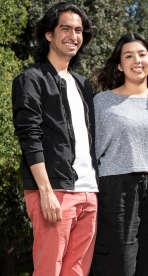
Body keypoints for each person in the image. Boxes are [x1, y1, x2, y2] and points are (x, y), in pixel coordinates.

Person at [11, 2, 97, 275]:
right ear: (49, 34)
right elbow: (29, 136)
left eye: (79, 30)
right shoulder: (31, 79)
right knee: (49, 270)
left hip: (88, 191)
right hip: (54, 192)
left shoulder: (83, 84)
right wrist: (46, 192)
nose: (74, 35)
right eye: (66, 29)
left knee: (77, 272)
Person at [91, 33, 148, 276]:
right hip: (116, 189)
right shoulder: (102, 102)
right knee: (119, 265)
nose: (137, 60)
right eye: (129, 56)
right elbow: (91, 151)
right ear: (119, 65)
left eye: (142, 54)